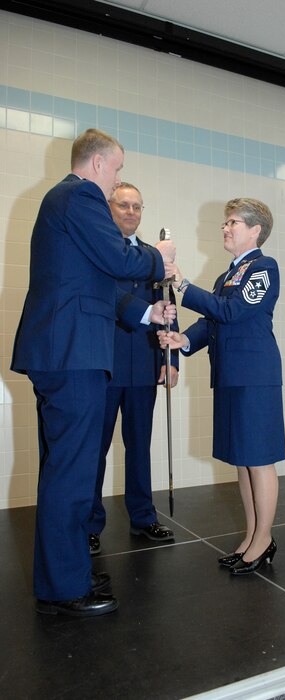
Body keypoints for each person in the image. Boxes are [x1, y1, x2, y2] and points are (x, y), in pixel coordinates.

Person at [10, 129, 176, 616]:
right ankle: (65, 589)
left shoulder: (62, 202)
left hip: (62, 351)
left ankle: (64, 574)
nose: (118, 178)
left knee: (65, 469)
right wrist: (158, 258)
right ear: (99, 163)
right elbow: (118, 257)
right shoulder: (80, 195)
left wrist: (145, 314)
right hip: (73, 353)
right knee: (72, 471)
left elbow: (100, 286)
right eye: (118, 168)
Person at [158, 198, 285, 575]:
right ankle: (252, 535)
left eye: (233, 222)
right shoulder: (227, 274)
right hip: (231, 374)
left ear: (255, 230)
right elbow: (214, 321)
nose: (225, 228)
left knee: (259, 460)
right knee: (243, 461)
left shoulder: (264, 267)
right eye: (225, 223)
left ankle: (264, 539)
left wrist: (181, 284)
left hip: (254, 375)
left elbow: (231, 311)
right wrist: (185, 340)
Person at [87, 183, 179, 555]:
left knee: (139, 445)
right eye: (122, 204)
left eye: (136, 206)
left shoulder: (152, 257)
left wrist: (169, 361)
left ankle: (143, 517)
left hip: (143, 364)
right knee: (95, 449)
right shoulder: (98, 250)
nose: (130, 212)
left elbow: (166, 311)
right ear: (109, 208)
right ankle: (89, 523)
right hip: (103, 365)